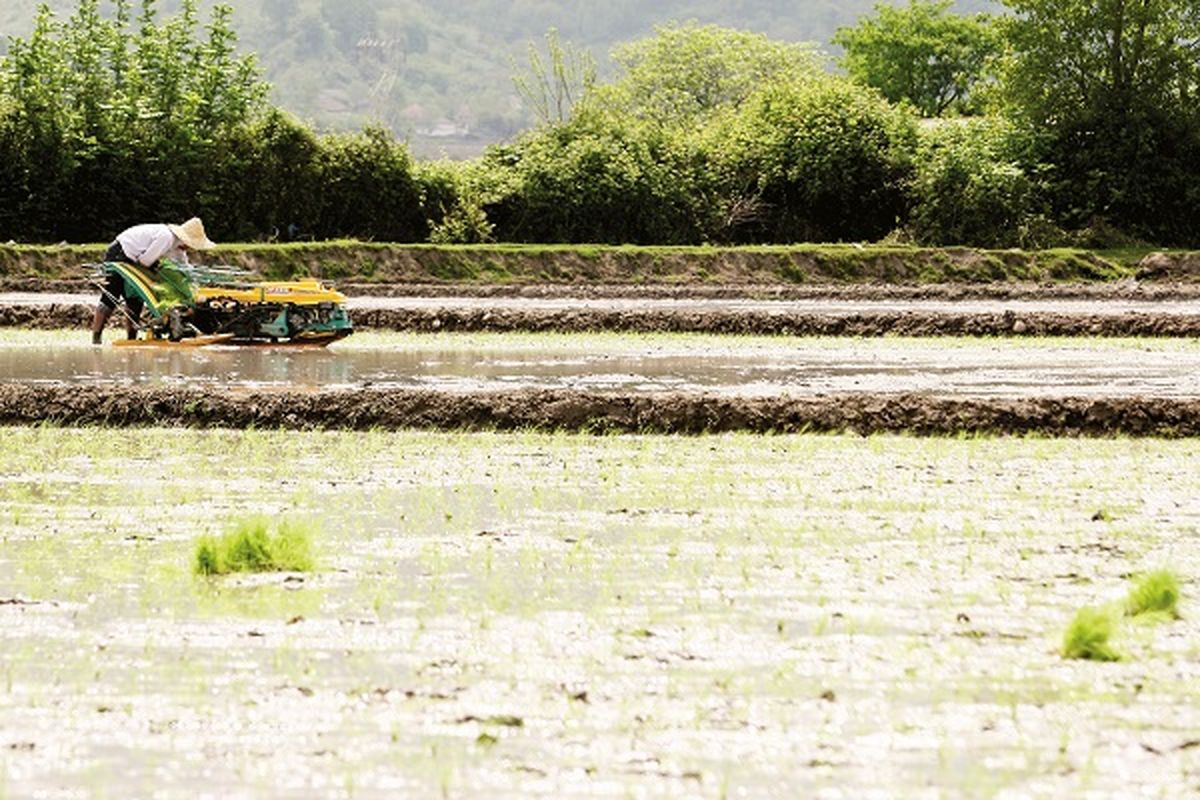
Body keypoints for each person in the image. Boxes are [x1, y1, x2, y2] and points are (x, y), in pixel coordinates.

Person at [91, 217, 217, 344]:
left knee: (135, 298)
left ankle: (131, 338)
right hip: (120, 253)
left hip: (135, 259)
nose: (191, 248)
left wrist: (192, 282)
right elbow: (146, 261)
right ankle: (96, 338)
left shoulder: (177, 246)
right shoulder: (166, 237)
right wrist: (158, 266)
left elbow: (182, 266)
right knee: (112, 293)